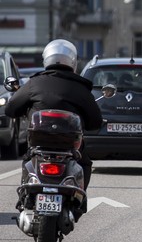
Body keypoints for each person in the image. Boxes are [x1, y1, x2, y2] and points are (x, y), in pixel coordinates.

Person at [5, 39, 103, 196]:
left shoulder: (34, 83)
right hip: (69, 144)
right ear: (73, 61)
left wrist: (25, 110)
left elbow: (11, 109)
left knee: (28, 159)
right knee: (84, 163)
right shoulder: (80, 88)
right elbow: (95, 121)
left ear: (46, 59)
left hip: (38, 142)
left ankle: (25, 196)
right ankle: (79, 198)